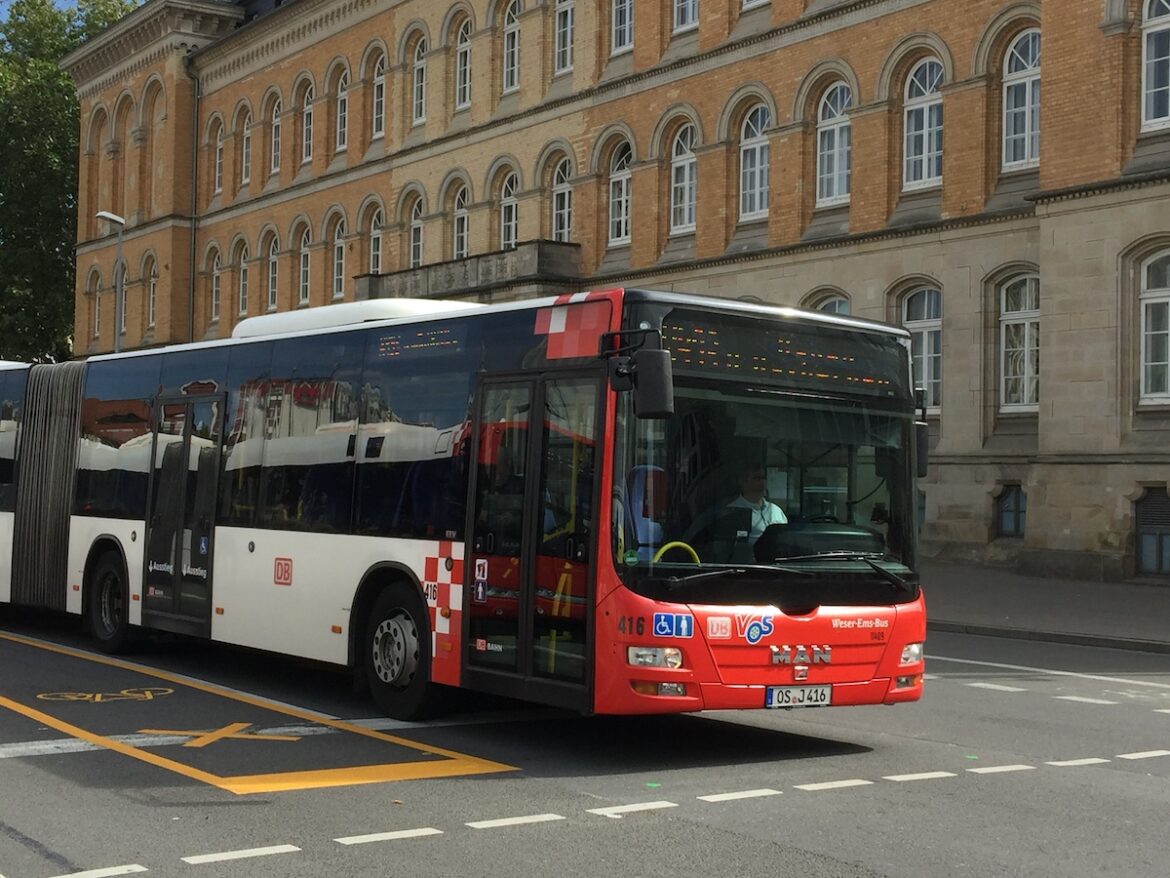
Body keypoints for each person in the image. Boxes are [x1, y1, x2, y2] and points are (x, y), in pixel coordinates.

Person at [725, 464, 787, 546]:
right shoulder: (732, 511)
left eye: (764, 478)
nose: (763, 483)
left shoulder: (776, 510)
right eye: (757, 479)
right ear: (743, 482)